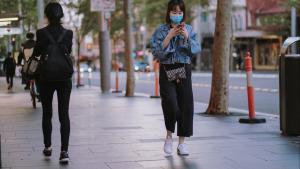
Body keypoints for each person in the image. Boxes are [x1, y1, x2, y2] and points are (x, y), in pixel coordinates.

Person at [150, 0, 201, 155]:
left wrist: (187, 38)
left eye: (180, 12)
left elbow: (196, 49)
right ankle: (168, 137)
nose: (177, 15)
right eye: (174, 12)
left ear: (183, 13)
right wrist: (168, 37)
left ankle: (182, 144)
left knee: (185, 106)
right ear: (169, 12)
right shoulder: (160, 30)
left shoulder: (189, 30)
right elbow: (155, 52)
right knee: (171, 104)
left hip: (184, 69)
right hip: (167, 70)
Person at [31, 2, 73, 163]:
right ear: (61, 15)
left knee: (47, 113)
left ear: (47, 16)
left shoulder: (41, 33)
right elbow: (68, 52)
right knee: (64, 115)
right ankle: (64, 152)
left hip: (46, 77)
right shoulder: (68, 33)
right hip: (64, 78)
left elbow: (36, 54)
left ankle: (48, 149)